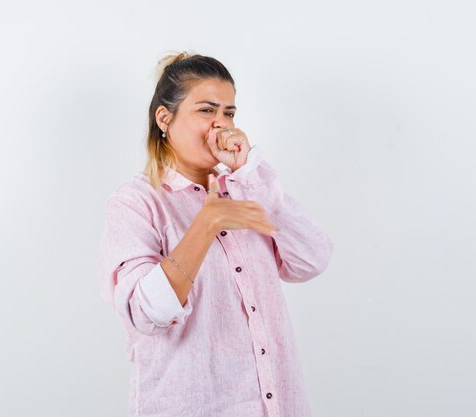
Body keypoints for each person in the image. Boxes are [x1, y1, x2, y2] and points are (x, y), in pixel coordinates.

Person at [97, 51, 333, 417]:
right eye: (206, 111)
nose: (221, 125)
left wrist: (250, 171)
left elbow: (311, 259)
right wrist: (205, 225)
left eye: (229, 113)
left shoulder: (246, 188)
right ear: (165, 118)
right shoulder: (136, 203)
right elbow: (143, 312)